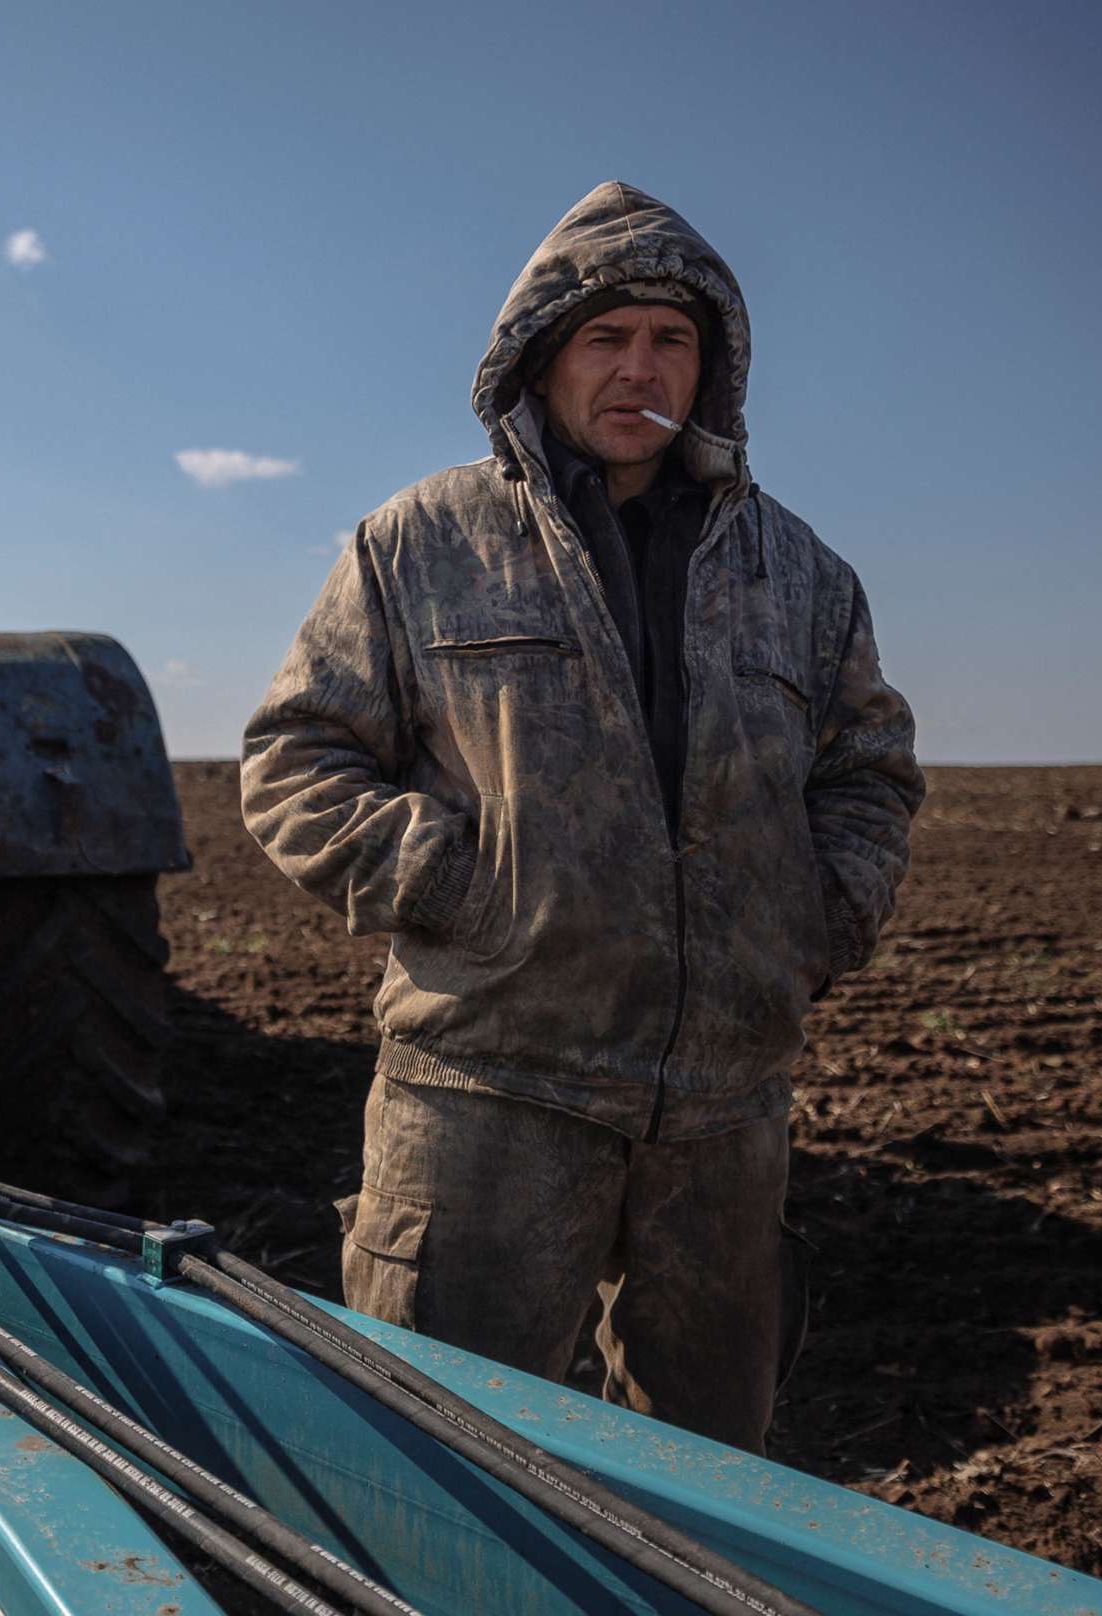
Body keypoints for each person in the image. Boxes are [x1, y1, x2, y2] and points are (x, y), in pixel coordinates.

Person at [241, 181, 924, 1460]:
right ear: (542, 357)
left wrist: (815, 913)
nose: (637, 368)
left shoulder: (803, 574)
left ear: (711, 370)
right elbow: (296, 759)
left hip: (723, 1111)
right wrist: (467, 886)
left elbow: (871, 768)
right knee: (433, 1480)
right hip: (490, 1086)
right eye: (605, 338)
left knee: (713, 1493)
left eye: (671, 339)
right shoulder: (421, 543)